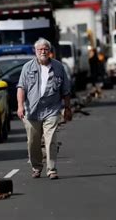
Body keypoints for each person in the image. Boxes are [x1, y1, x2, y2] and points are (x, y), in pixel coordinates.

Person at [17, 38, 72, 180]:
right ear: (35, 51)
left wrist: (67, 108)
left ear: (50, 51)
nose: (43, 52)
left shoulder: (58, 67)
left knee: (51, 139)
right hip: (31, 110)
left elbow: (65, 90)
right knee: (33, 142)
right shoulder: (27, 67)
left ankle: (51, 169)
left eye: (45, 49)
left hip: (52, 110)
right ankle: (36, 167)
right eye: (40, 49)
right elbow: (21, 88)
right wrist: (20, 106)